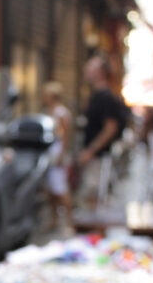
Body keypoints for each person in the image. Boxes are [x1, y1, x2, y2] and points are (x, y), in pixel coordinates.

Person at [77, 55, 127, 208]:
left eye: (91, 67)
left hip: (99, 159)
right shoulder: (96, 96)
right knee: (91, 201)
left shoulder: (105, 97)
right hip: (95, 158)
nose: (86, 69)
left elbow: (111, 128)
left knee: (96, 202)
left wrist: (91, 151)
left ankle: (97, 232)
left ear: (100, 72)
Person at [42, 81, 74, 233]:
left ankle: (69, 222)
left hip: (57, 152)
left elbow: (66, 136)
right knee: (51, 189)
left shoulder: (61, 113)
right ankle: (54, 219)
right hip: (51, 152)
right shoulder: (52, 111)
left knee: (60, 188)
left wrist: (62, 154)